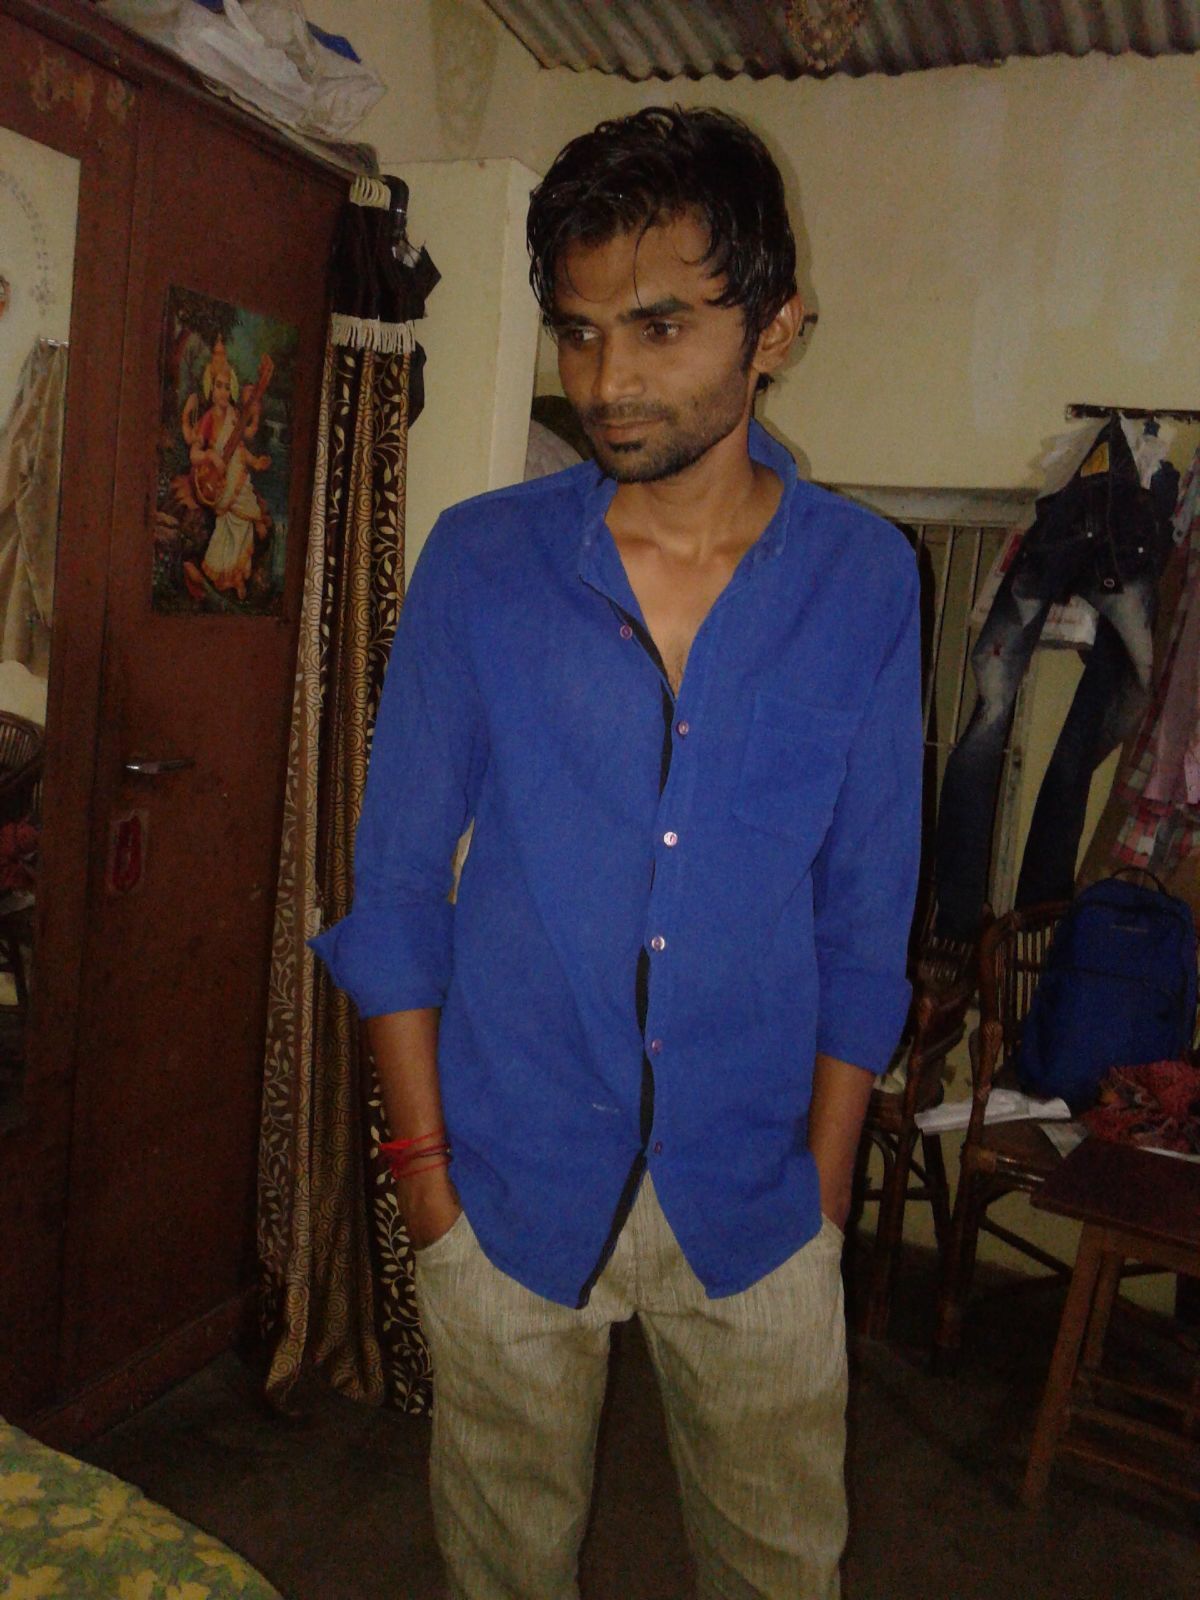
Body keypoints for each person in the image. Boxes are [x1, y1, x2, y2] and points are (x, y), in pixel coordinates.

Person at [313, 106, 922, 1600]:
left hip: (760, 1196)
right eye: (579, 332)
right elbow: (395, 888)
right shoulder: (482, 562)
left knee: (782, 1569)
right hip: (505, 1181)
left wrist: (823, 1195)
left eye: (659, 326)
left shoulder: (864, 579)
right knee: (502, 1569)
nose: (607, 379)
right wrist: (426, 1186)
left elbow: (865, 920)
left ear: (775, 328)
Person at [181, 336, 272, 602]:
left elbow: (241, 443)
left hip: (235, 477)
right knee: (241, 517)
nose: (222, 392)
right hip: (216, 483)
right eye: (217, 386)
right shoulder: (208, 419)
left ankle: (236, 577)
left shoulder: (234, 415)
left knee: (239, 529)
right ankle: (223, 575)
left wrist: (255, 462)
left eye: (225, 386)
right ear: (211, 389)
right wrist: (211, 455)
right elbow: (194, 454)